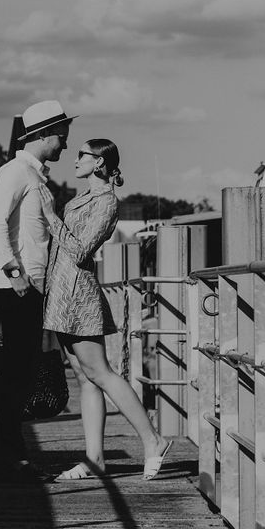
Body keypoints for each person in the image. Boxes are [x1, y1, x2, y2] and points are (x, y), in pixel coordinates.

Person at [42, 138, 172, 481]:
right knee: (85, 378)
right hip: (59, 295)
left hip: (78, 298)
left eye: (82, 155)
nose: (75, 160)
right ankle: (95, 459)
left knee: (101, 372)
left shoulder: (106, 203)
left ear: (99, 163)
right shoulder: (81, 198)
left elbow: (79, 251)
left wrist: (49, 216)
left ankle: (153, 439)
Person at [0, 98, 74, 472]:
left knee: (21, 369)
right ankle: (10, 453)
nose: (66, 144)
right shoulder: (15, 171)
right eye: (63, 136)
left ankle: (11, 450)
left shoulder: (34, 174)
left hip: (31, 285)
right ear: (45, 134)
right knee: (19, 371)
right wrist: (15, 273)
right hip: (18, 286)